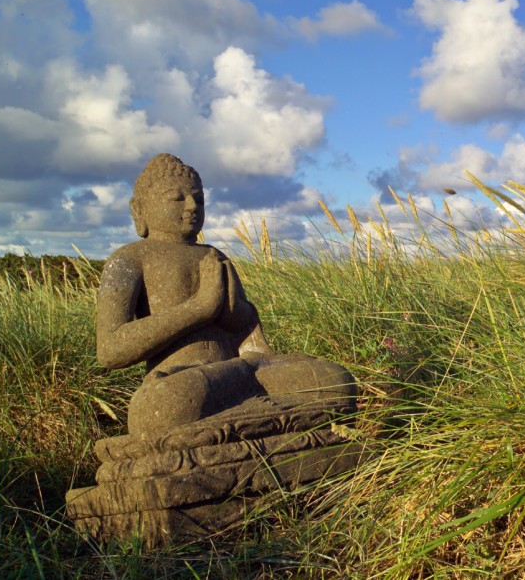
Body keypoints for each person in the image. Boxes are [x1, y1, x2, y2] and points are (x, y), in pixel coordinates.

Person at [96, 153, 354, 440]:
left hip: (243, 371)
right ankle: (265, 422)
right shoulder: (129, 259)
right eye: (177, 198)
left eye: (199, 199)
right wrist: (199, 308)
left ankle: (235, 425)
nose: (193, 206)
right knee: (161, 408)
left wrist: (234, 312)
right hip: (185, 380)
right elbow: (110, 350)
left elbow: (252, 341)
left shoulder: (215, 256)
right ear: (140, 208)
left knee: (336, 380)